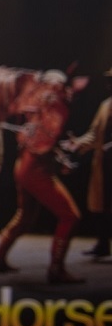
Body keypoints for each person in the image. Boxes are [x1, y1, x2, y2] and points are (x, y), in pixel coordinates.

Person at [65, 66, 112, 258]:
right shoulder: (106, 105)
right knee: (103, 205)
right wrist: (76, 143)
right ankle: (102, 244)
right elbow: (94, 133)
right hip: (105, 164)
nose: (109, 85)